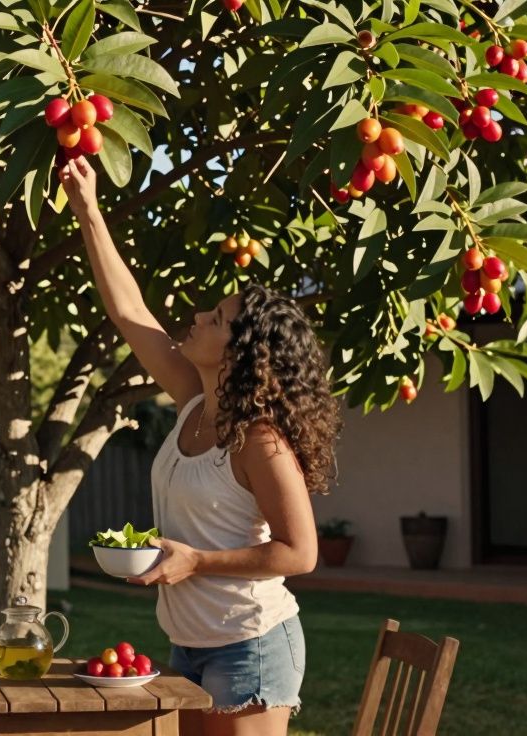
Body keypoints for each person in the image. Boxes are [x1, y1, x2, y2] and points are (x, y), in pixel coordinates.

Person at [61, 157, 342, 734]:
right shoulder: (193, 400)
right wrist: (88, 210)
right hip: (190, 642)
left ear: (241, 355)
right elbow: (129, 311)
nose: (196, 316)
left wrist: (196, 562)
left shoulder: (258, 441)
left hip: (252, 643)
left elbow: (301, 552)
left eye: (214, 319)